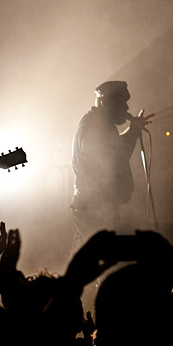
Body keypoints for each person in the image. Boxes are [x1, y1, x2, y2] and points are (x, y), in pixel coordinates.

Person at [69, 81, 153, 250]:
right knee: (103, 263)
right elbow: (114, 160)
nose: (126, 107)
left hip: (94, 208)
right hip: (93, 209)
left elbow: (114, 148)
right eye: (121, 102)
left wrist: (133, 130)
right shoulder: (94, 127)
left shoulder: (101, 125)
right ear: (104, 102)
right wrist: (134, 131)